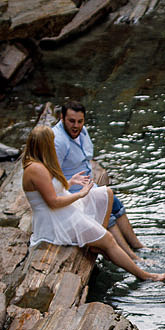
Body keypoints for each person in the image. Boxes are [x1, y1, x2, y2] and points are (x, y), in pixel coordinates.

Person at [21, 126, 165, 282]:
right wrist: (80, 194)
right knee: (109, 240)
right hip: (55, 221)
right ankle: (146, 276)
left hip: (64, 210)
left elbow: (50, 191)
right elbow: (53, 202)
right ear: (45, 144)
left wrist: (70, 183)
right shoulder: (36, 169)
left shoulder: (40, 164)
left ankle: (98, 240)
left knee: (105, 194)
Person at [51, 101, 143, 252]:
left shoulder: (82, 132)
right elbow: (53, 177)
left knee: (116, 205)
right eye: (71, 121)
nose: (76, 125)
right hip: (74, 194)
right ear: (62, 118)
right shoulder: (58, 142)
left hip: (89, 186)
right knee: (107, 213)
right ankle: (131, 256)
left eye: (80, 121)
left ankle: (138, 246)